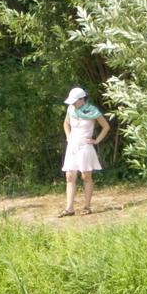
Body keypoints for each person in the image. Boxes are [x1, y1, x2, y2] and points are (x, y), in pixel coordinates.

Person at [59, 87, 110, 216]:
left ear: (82, 99)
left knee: (86, 176)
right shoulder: (70, 109)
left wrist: (96, 140)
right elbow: (66, 123)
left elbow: (106, 126)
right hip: (72, 146)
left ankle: (87, 207)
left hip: (85, 146)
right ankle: (69, 208)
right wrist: (68, 135)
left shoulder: (93, 111)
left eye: (75, 101)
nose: (73, 103)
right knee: (69, 176)